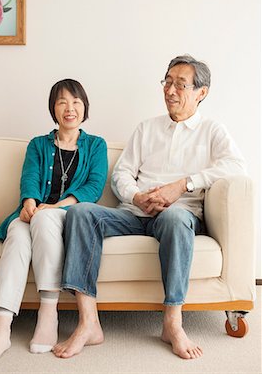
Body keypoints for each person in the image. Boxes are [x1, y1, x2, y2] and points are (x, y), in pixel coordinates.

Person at [52, 55, 246, 360]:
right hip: (133, 213)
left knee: (176, 217)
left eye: (180, 84)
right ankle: (89, 323)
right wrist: (136, 196)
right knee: (80, 212)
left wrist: (183, 186)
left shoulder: (212, 131)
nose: (170, 90)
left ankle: (172, 323)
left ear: (201, 92)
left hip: (178, 215)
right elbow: (122, 174)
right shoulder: (147, 128)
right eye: (167, 82)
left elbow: (237, 166)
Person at [0, 79, 108, 364]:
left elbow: (94, 187)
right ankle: (1, 329)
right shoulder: (38, 144)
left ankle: (48, 316)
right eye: (62, 102)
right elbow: (30, 177)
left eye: (75, 102)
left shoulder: (96, 145)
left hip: (68, 214)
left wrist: (55, 206)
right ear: (53, 109)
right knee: (17, 235)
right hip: (34, 212)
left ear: (85, 107)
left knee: (46, 220)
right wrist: (29, 203)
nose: (69, 108)